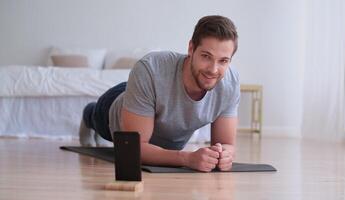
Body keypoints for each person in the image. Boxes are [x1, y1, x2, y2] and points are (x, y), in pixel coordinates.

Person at [79, 15, 240, 172]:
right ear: (191, 48)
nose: (213, 69)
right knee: (94, 116)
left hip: (155, 110)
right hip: (116, 108)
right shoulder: (150, 69)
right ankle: (88, 115)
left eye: (223, 61)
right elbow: (133, 149)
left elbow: (227, 145)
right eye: (206, 56)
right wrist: (187, 159)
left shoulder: (230, 84)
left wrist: (223, 155)